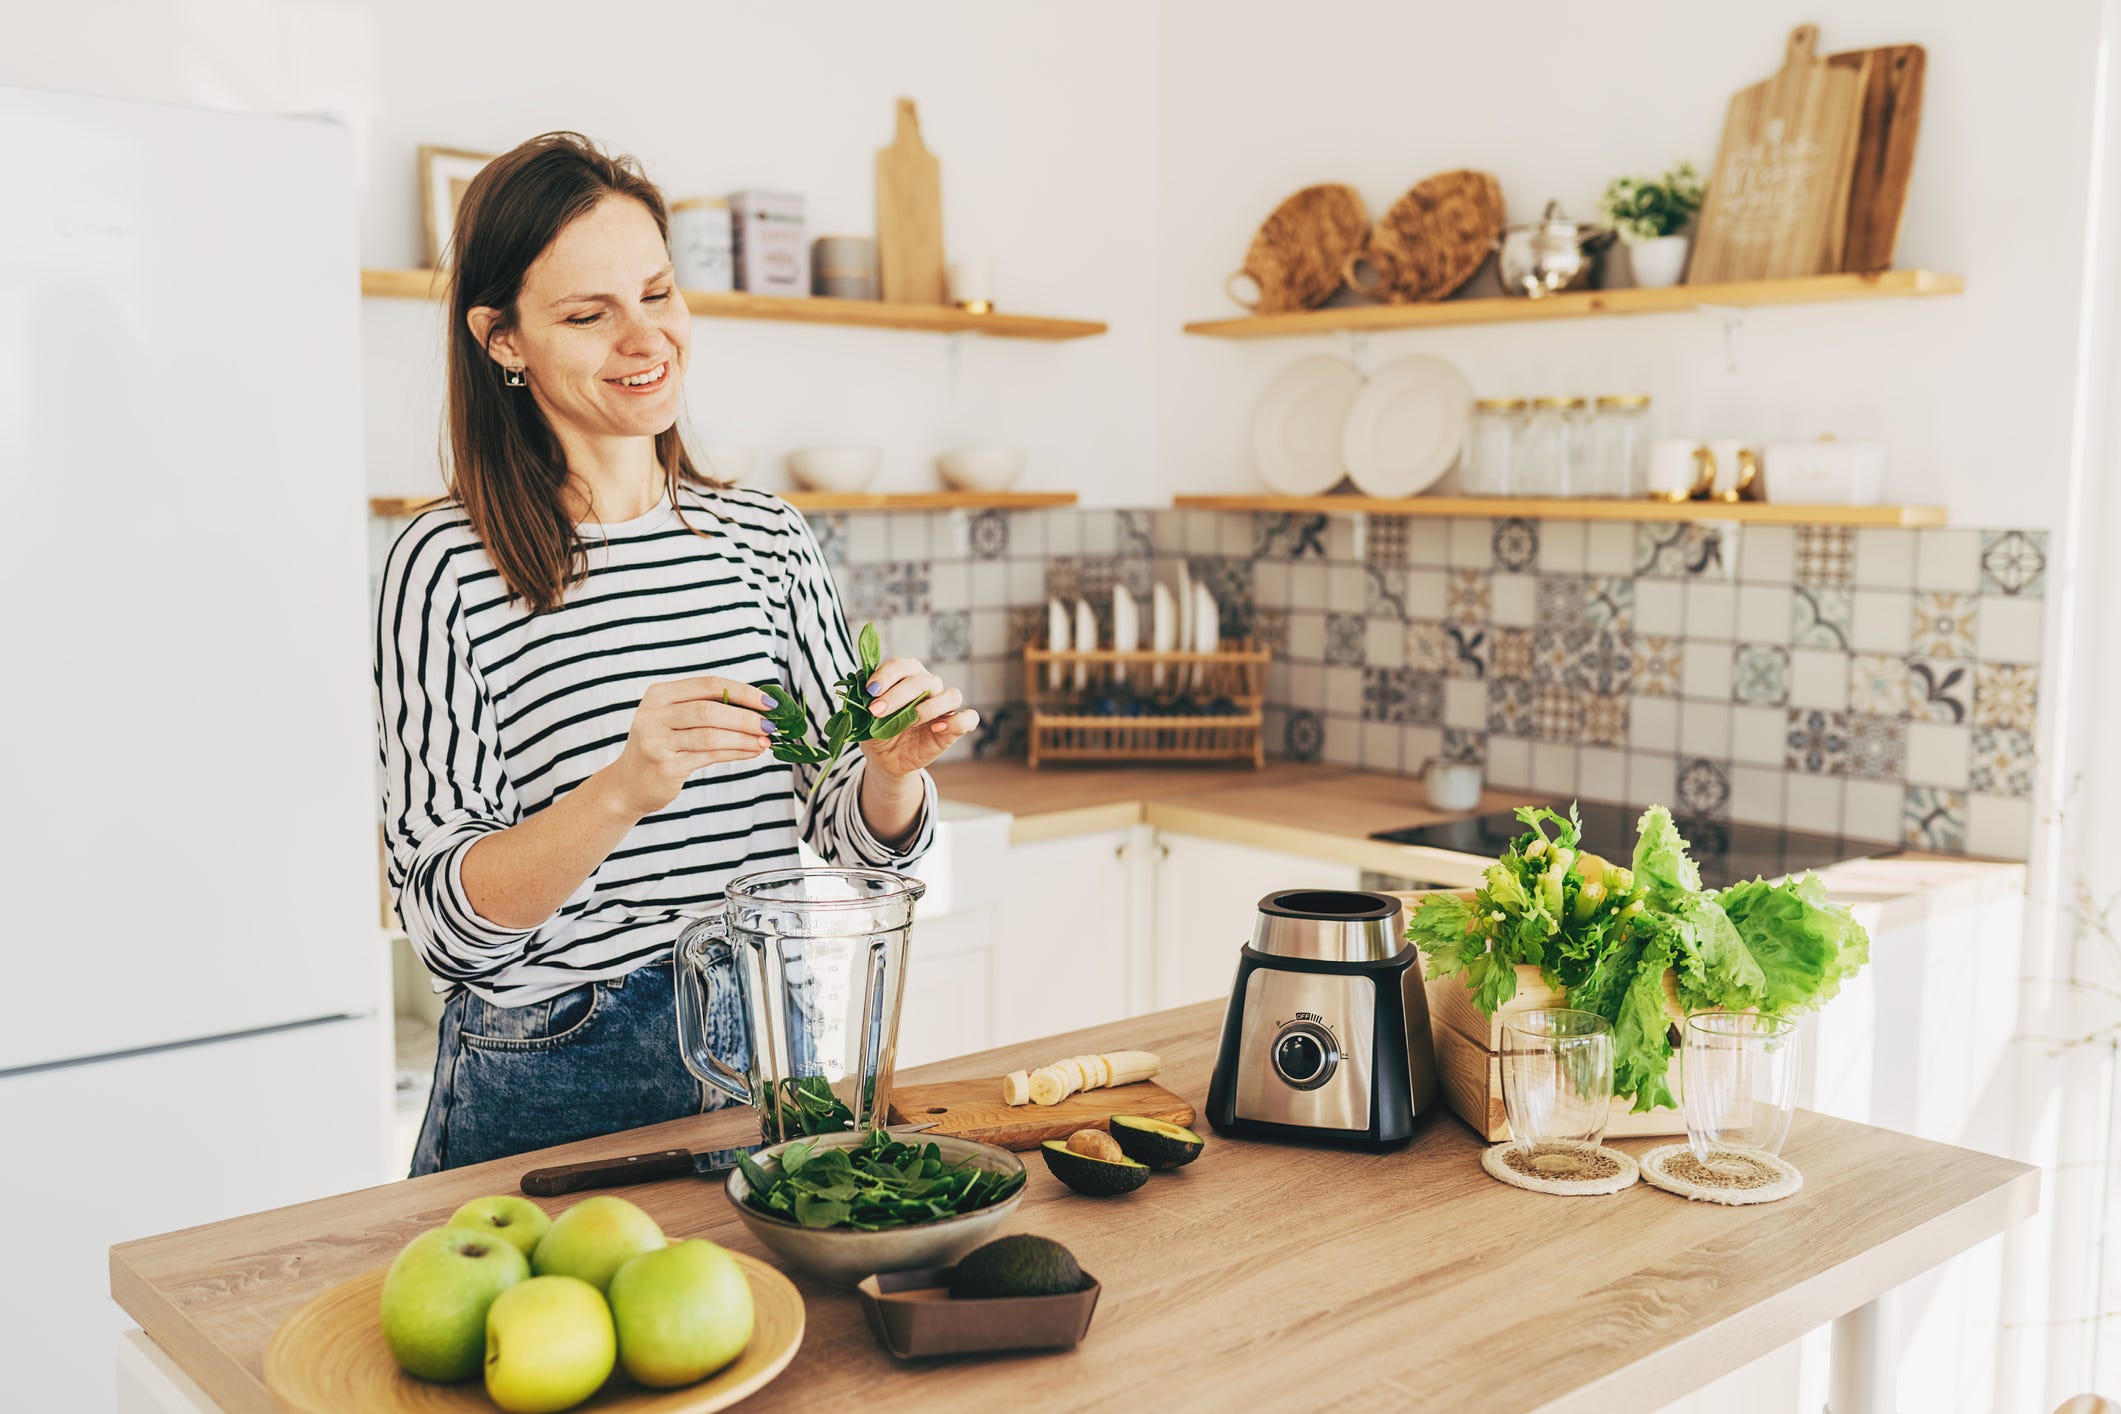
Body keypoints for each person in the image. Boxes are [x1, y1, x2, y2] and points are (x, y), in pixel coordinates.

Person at [376, 132, 977, 1174]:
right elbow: (447, 930)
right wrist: (621, 790)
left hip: (767, 1049)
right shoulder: (445, 563)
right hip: (554, 1071)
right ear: (502, 338)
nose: (644, 337)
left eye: (657, 292)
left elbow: (855, 851)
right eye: (586, 314)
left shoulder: (767, 540)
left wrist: (888, 773)